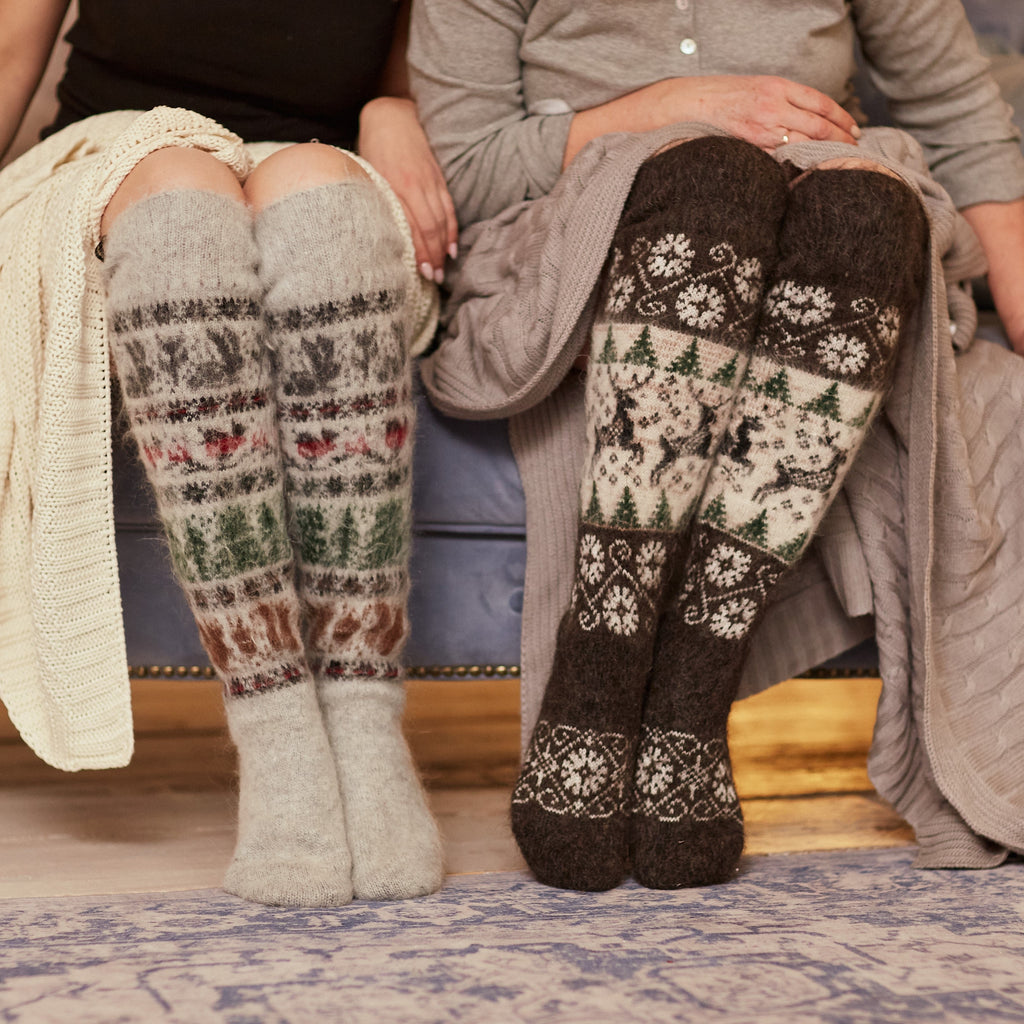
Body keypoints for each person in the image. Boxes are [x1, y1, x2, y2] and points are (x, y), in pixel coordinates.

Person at [409, 0, 1024, 891]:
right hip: (582, 235)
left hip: (824, 223)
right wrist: (657, 112)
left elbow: (962, 119)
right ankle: (599, 677)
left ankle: (690, 699)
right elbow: (467, 170)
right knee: (712, 177)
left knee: (868, 204)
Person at [0, 0, 458, 907]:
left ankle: (364, 719)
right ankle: (275, 720)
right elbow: (10, 54)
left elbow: (414, 63)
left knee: (323, 203)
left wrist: (396, 108)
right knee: (181, 200)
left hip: (306, 157)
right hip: (112, 155)